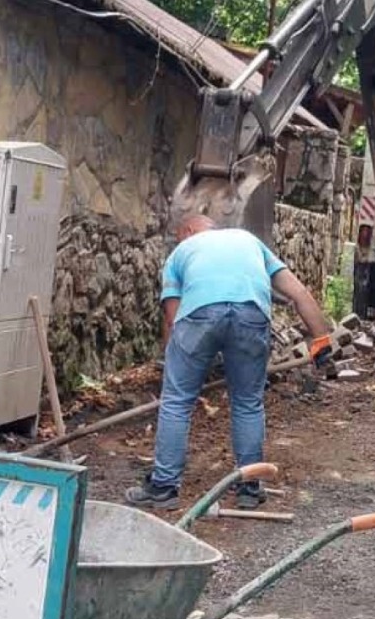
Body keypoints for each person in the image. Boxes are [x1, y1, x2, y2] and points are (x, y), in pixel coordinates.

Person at [126, 215, 335, 510]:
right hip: (251, 314)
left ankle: (163, 487)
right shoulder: (250, 241)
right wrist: (321, 343)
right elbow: (298, 293)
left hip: (198, 315)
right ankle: (249, 487)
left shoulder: (179, 253)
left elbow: (173, 320)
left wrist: (174, 363)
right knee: (248, 401)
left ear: (187, 232)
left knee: (176, 401)